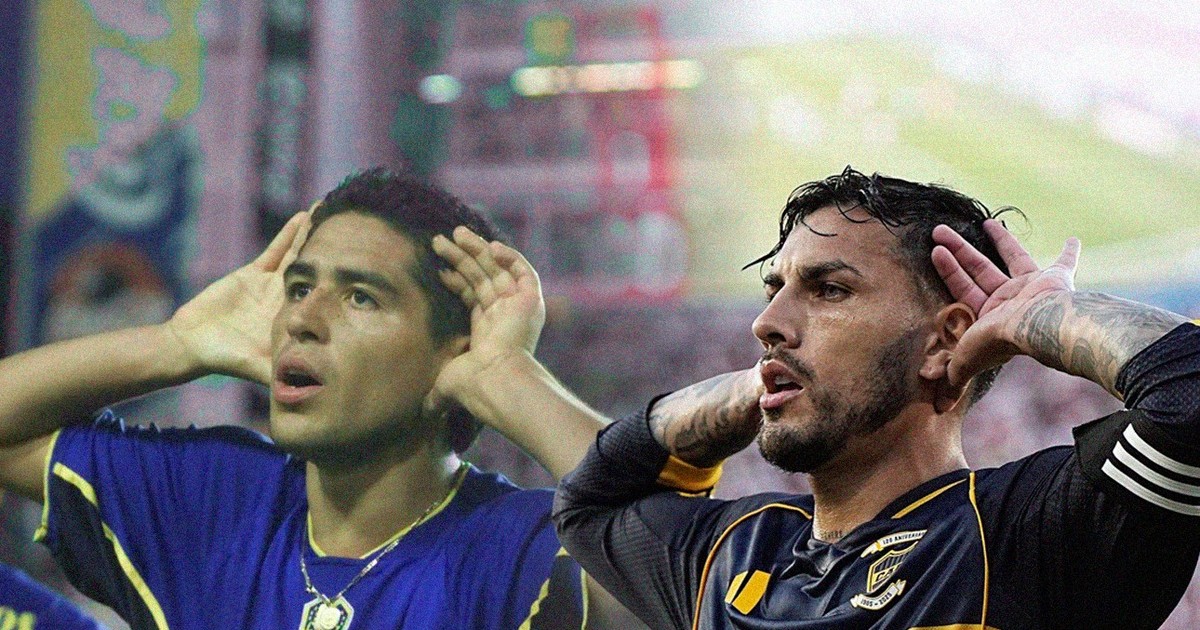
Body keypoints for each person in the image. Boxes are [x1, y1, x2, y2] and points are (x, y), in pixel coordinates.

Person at [445, 166, 1200, 629]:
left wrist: (1045, 317)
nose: (767, 323)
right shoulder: (730, 557)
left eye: (829, 289)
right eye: (774, 291)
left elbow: (1189, 401)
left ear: (945, 341)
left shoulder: (1028, 536)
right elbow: (590, 503)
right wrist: (746, 391)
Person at [0, 168, 608, 629]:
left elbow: (666, 562)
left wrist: (508, 375)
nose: (301, 320)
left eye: (361, 297)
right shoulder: (219, 499)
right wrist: (177, 344)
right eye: (298, 288)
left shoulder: (510, 550)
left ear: (454, 354)